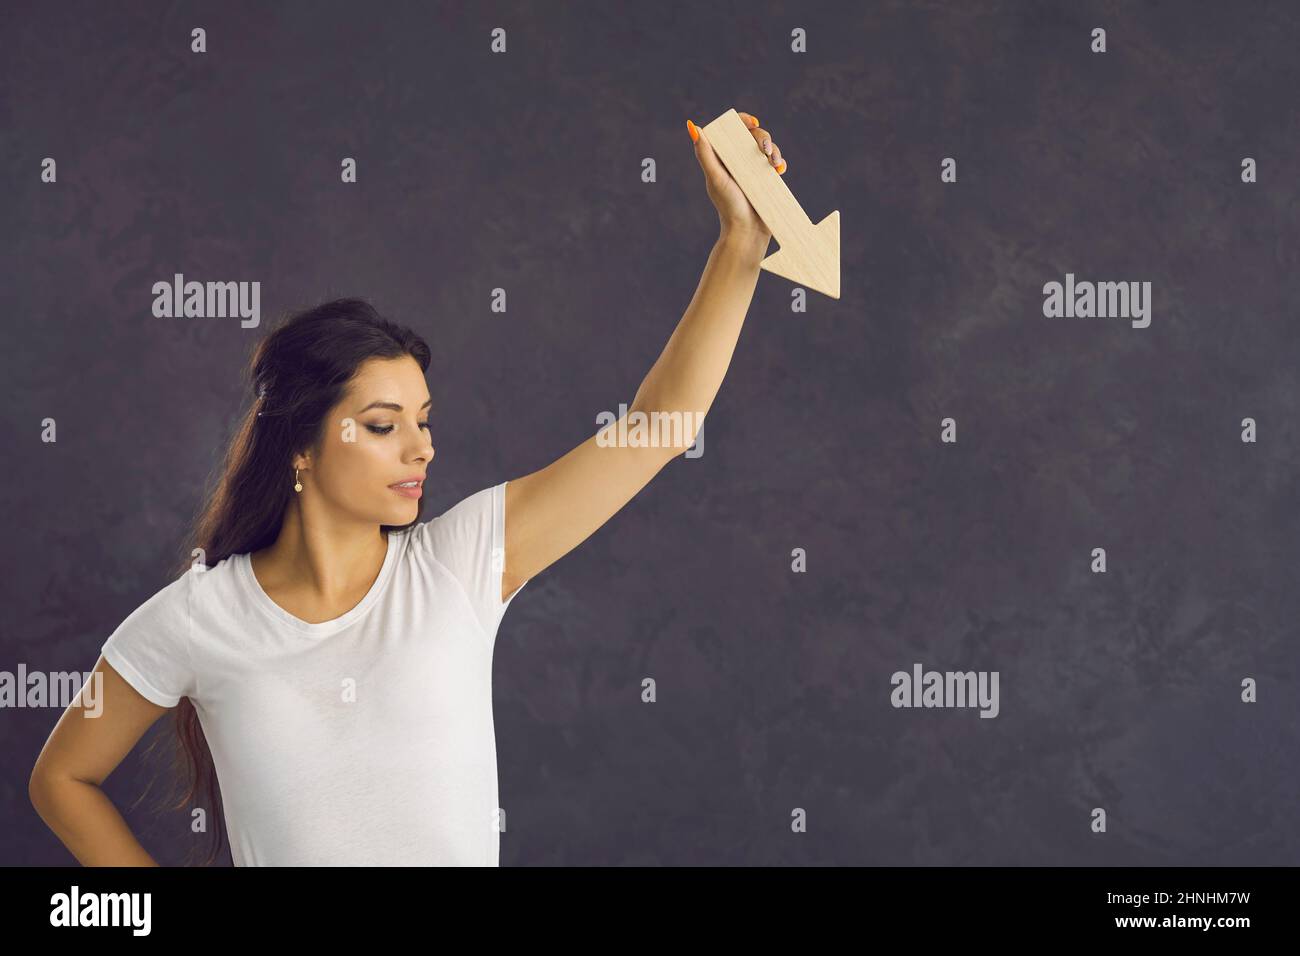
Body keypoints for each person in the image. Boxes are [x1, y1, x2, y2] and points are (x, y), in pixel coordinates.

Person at [28, 110, 788, 865]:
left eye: (423, 420)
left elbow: (660, 425)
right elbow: (62, 778)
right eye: (384, 424)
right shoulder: (200, 617)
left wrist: (741, 244)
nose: (422, 446)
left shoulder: (458, 564)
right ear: (300, 444)